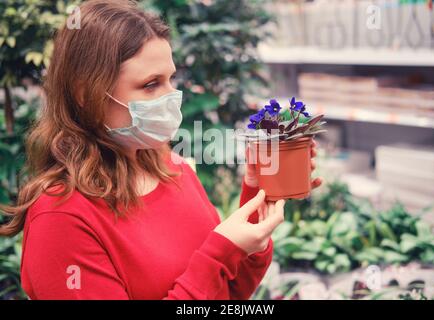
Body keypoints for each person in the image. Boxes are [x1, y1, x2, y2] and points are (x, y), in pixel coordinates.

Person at [0, 0, 322, 300]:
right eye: (151, 84)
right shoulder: (62, 218)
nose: (172, 97)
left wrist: (259, 201)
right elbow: (211, 270)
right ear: (86, 94)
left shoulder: (173, 169)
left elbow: (229, 293)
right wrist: (219, 252)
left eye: (171, 79)